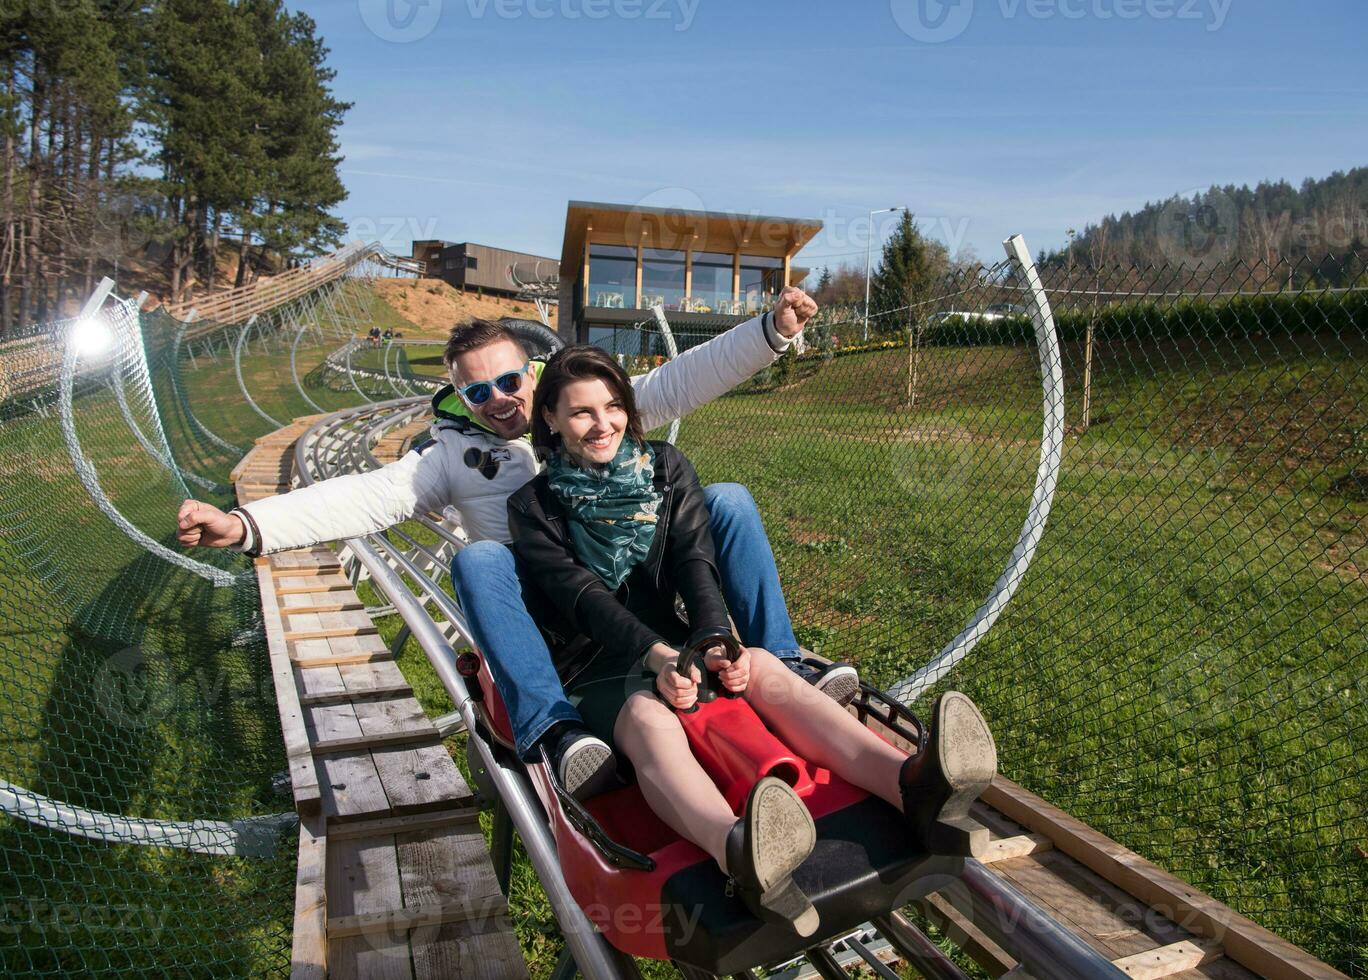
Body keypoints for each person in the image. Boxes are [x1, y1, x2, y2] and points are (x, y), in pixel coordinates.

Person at [176, 291, 857, 796]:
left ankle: (786, 661)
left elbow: (680, 381)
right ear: (460, 398)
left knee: (728, 499)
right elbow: (363, 495)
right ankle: (554, 728)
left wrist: (770, 331)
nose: (499, 399)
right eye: (477, 391)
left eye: (508, 380)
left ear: (532, 373)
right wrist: (246, 525)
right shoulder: (451, 458)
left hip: (631, 585)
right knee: (480, 557)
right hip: (552, 611)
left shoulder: (581, 413)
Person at [506, 345, 997, 936]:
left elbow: (693, 557)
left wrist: (715, 638)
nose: (602, 423)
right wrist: (660, 657)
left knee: (763, 665)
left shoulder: (664, 466)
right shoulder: (532, 507)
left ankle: (907, 784)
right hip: (597, 665)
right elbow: (581, 596)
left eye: (613, 406)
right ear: (552, 420)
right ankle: (735, 846)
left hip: (677, 644)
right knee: (646, 715)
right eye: (581, 412)